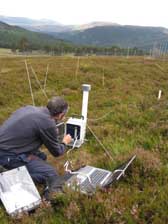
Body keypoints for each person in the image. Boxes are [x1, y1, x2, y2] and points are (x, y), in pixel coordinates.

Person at [0, 96, 72, 197]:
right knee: (51, 174)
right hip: (7, 155)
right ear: (61, 115)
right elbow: (57, 152)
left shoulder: (29, 108)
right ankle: (8, 179)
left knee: (42, 156)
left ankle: (15, 170)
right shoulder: (47, 123)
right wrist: (65, 142)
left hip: (7, 146)